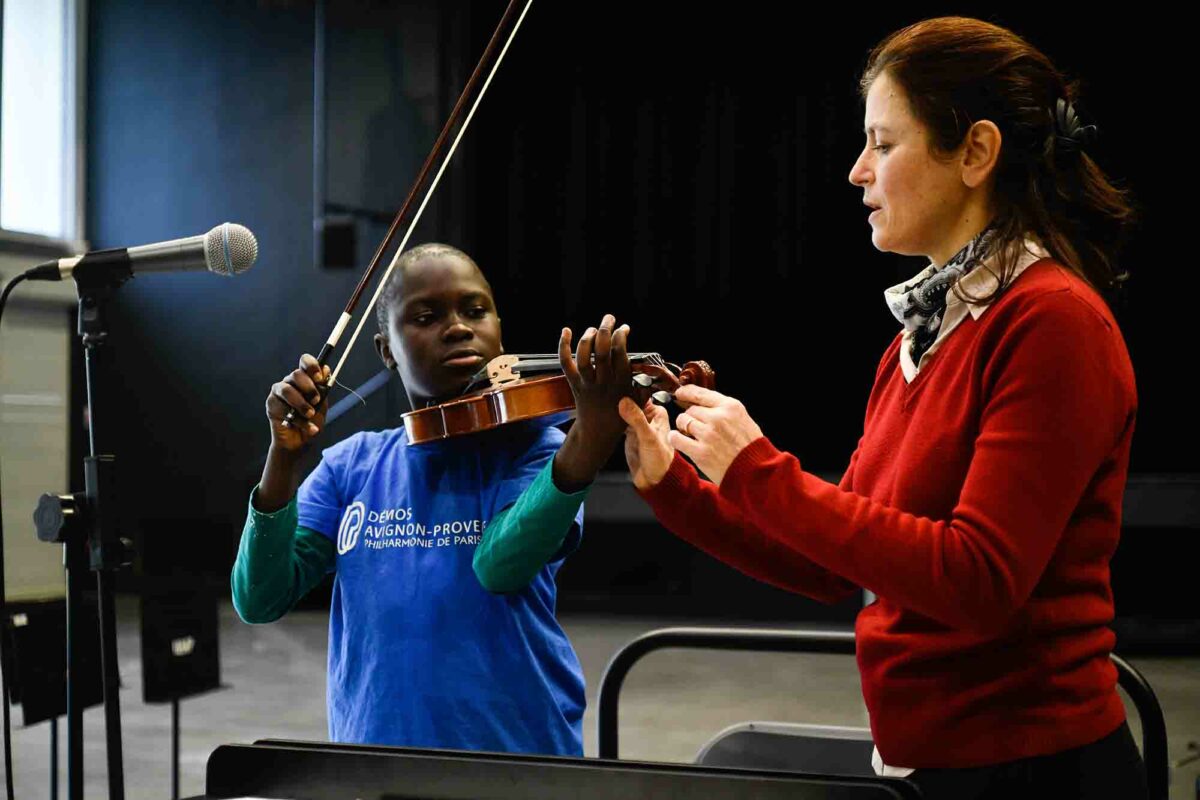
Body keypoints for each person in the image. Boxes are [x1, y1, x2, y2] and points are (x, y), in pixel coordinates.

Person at [619, 17, 1145, 799]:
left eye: (883, 143)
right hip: (934, 769)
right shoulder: (924, 333)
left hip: (1032, 774)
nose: (857, 171)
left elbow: (977, 580)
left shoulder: (1052, 323)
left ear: (975, 153)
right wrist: (677, 484)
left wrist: (756, 468)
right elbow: (835, 565)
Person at [232, 242, 630, 756]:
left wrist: (588, 442)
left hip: (519, 762)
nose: (459, 327)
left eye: (476, 311)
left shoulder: (538, 451)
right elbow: (259, 598)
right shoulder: (351, 467)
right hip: (375, 763)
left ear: (499, 327)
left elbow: (498, 566)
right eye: (426, 317)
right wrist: (283, 458)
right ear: (386, 350)